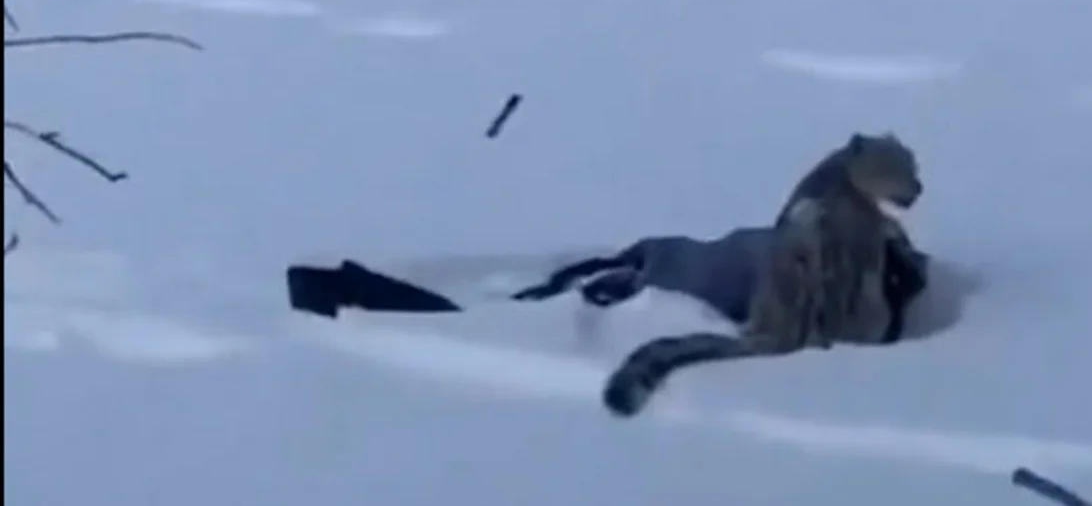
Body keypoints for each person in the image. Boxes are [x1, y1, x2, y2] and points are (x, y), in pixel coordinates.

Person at [286, 225, 930, 337]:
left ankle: (345, 293)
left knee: (506, 312)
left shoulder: (819, 250)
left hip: (647, 267)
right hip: (640, 276)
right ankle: (346, 296)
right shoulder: (818, 266)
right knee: (503, 316)